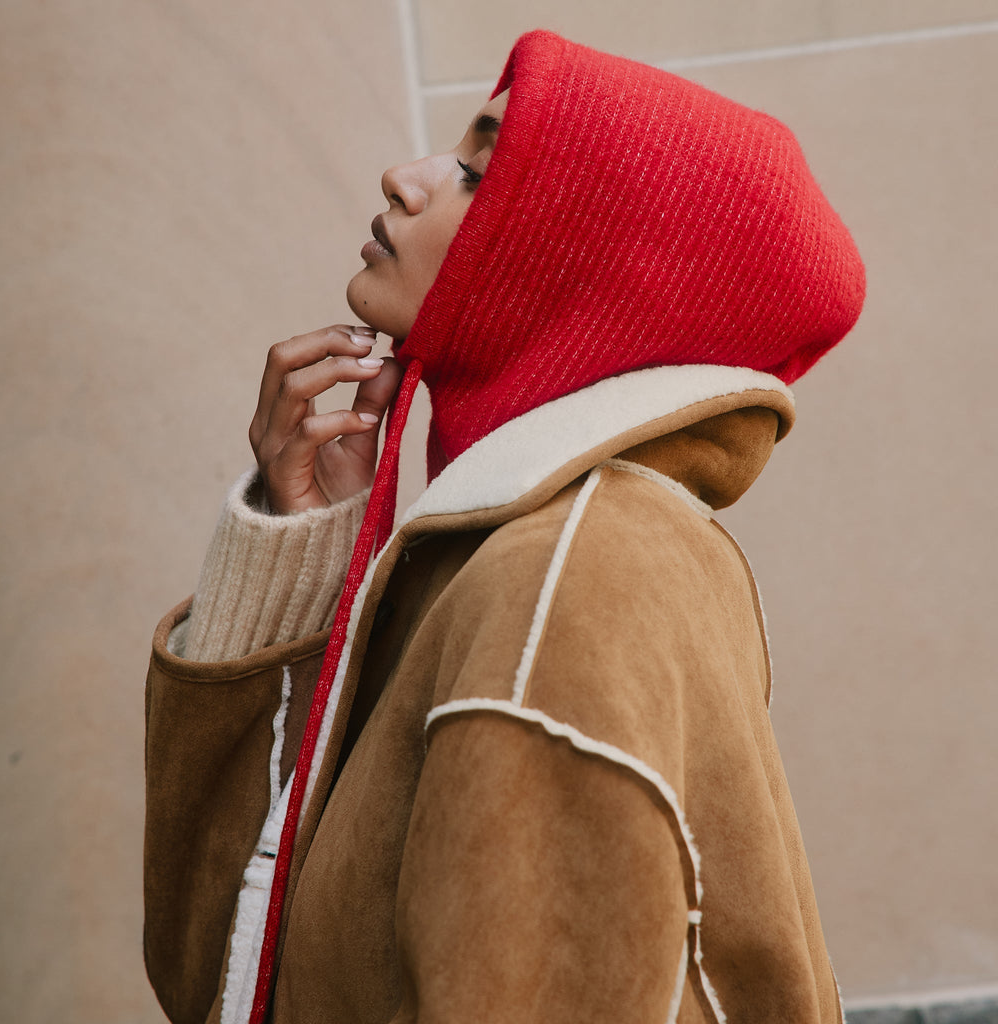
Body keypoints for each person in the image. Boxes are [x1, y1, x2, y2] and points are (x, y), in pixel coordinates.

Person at [144, 29, 865, 1024]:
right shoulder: (521, 547)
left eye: (478, 173)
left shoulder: (574, 580)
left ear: (589, 266)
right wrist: (300, 545)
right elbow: (229, 982)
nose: (405, 179)